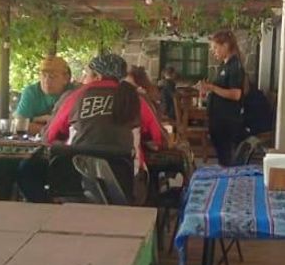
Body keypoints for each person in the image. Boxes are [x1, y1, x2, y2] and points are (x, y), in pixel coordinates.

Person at [17, 53, 164, 202]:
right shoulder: (136, 98)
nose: (83, 79)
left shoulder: (73, 97)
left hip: (74, 184)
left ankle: (46, 210)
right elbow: (161, 140)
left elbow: (48, 137)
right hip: (125, 186)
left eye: (86, 74)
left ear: (97, 76)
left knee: (28, 169)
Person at [200, 30, 247, 166]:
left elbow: (236, 94)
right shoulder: (223, 65)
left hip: (227, 121)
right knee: (222, 157)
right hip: (218, 119)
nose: (213, 52)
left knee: (227, 159)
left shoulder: (234, 66)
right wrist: (207, 90)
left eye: (215, 47)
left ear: (225, 45)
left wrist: (213, 88)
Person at [13, 56, 74, 136]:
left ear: (65, 78)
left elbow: (76, 127)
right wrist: (53, 127)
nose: (47, 81)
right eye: (44, 75)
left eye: (53, 76)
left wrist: (36, 120)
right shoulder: (31, 92)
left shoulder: (75, 93)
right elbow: (19, 126)